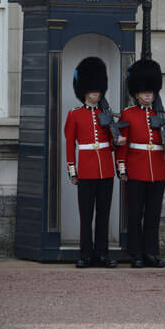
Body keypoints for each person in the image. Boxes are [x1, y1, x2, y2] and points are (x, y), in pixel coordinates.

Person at [116, 59, 165, 268]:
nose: (147, 95)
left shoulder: (163, 115)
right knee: (135, 216)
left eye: (150, 92)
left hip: (157, 171)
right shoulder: (128, 114)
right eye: (144, 92)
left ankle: (151, 253)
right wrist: (122, 169)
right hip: (135, 171)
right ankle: (136, 254)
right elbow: (122, 145)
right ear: (136, 94)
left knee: (153, 216)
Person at [64, 56, 125, 269]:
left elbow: (112, 143)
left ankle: (102, 254)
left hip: (106, 170)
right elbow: (70, 144)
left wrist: (117, 142)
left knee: (103, 215)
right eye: (92, 90)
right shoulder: (75, 115)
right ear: (84, 91)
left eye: (98, 90)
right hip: (87, 171)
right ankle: (85, 254)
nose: (96, 93)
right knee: (86, 215)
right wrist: (72, 171)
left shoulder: (107, 115)